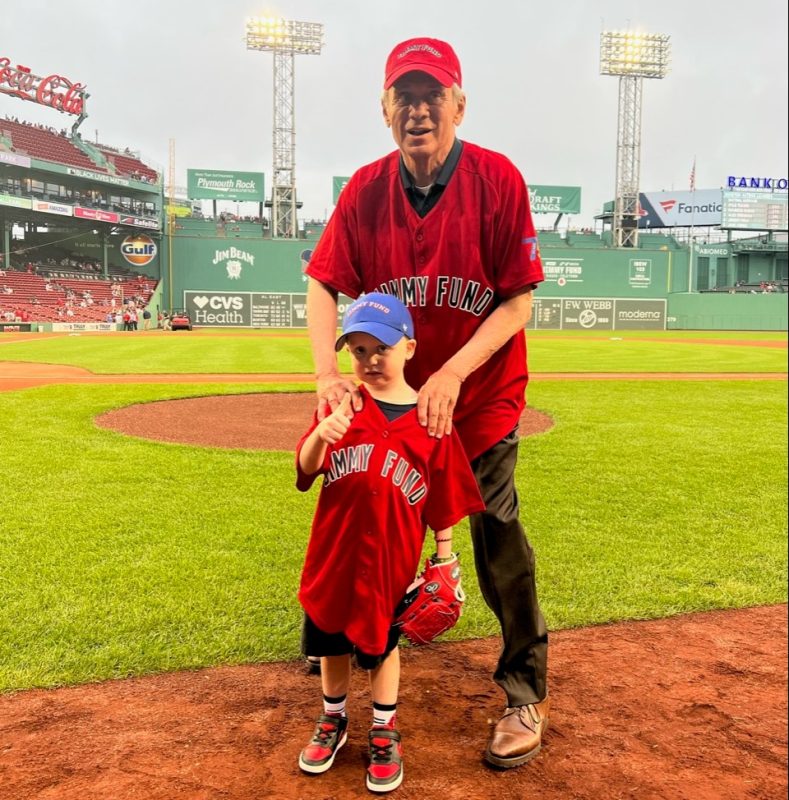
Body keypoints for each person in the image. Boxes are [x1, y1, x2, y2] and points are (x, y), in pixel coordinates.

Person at [304, 37, 549, 770]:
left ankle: (522, 692)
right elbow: (323, 284)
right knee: (364, 513)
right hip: (391, 401)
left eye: (431, 95)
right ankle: (346, 651)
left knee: (493, 532)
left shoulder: (496, 179)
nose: (418, 110)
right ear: (384, 110)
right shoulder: (365, 190)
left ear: (457, 104)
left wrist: (452, 376)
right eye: (403, 97)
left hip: (478, 401)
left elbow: (516, 302)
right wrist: (326, 373)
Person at [296, 293, 484, 793]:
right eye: (357, 350)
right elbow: (306, 468)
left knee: (383, 646)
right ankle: (333, 720)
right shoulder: (341, 407)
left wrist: (445, 557)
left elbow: (443, 498)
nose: (369, 360)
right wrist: (323, 434)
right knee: (330, 639)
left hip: (390, 561)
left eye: (381, 347)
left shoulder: (431, 420)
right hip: (333, 555)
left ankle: (384, 729)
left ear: (410, 348)